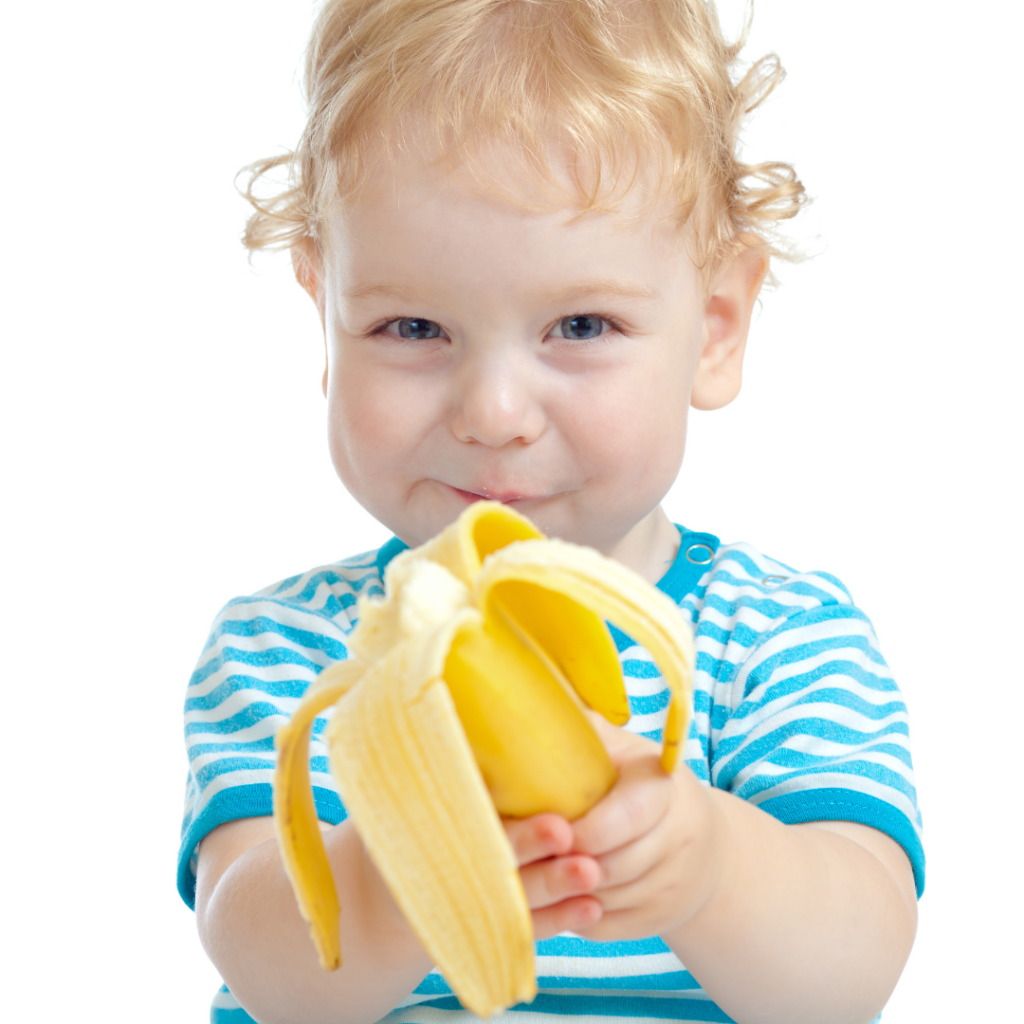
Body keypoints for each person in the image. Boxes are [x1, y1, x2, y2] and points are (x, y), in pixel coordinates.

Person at [180, 2, 923, 1022]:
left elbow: (848, 978)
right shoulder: (287, 654)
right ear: (324, 317)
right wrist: (416, 855)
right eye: (411, 326)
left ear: (714, 329)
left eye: (580, 325)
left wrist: (709, 864)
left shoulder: (780, 641)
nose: (491, 414)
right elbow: (268, 970)